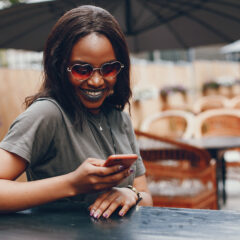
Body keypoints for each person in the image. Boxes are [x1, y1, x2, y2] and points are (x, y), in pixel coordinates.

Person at [0, 5, 153, 218]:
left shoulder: (120, 120)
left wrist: (130, 194)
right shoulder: (47, 114)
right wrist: (71, 183)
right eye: (83, 70)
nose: (97, 81)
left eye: (108, 69)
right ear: (60, 67)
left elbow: (146, 196)